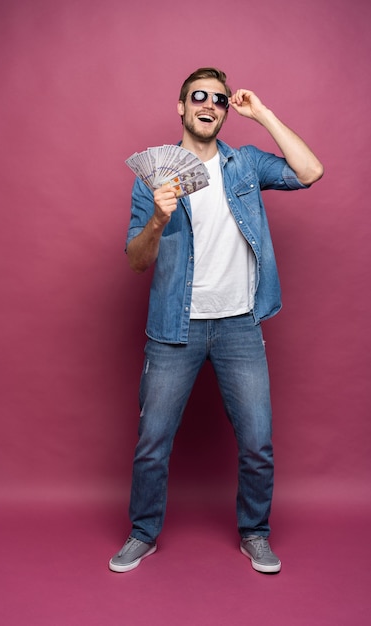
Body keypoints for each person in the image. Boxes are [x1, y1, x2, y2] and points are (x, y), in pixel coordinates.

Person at [109, 67, 323, 574]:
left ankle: (255, 532)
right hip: (173, 330)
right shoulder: (154, 179)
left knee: (257, 443)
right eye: (198, 96)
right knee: (152, 443)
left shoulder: (244, 164)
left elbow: (310, 171)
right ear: (181, 107)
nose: (209, 104)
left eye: (220, 100)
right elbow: (137, 260)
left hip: (239, 327)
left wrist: (263, 114)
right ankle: (143, 534)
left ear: (227, 111)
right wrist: (160, 217)